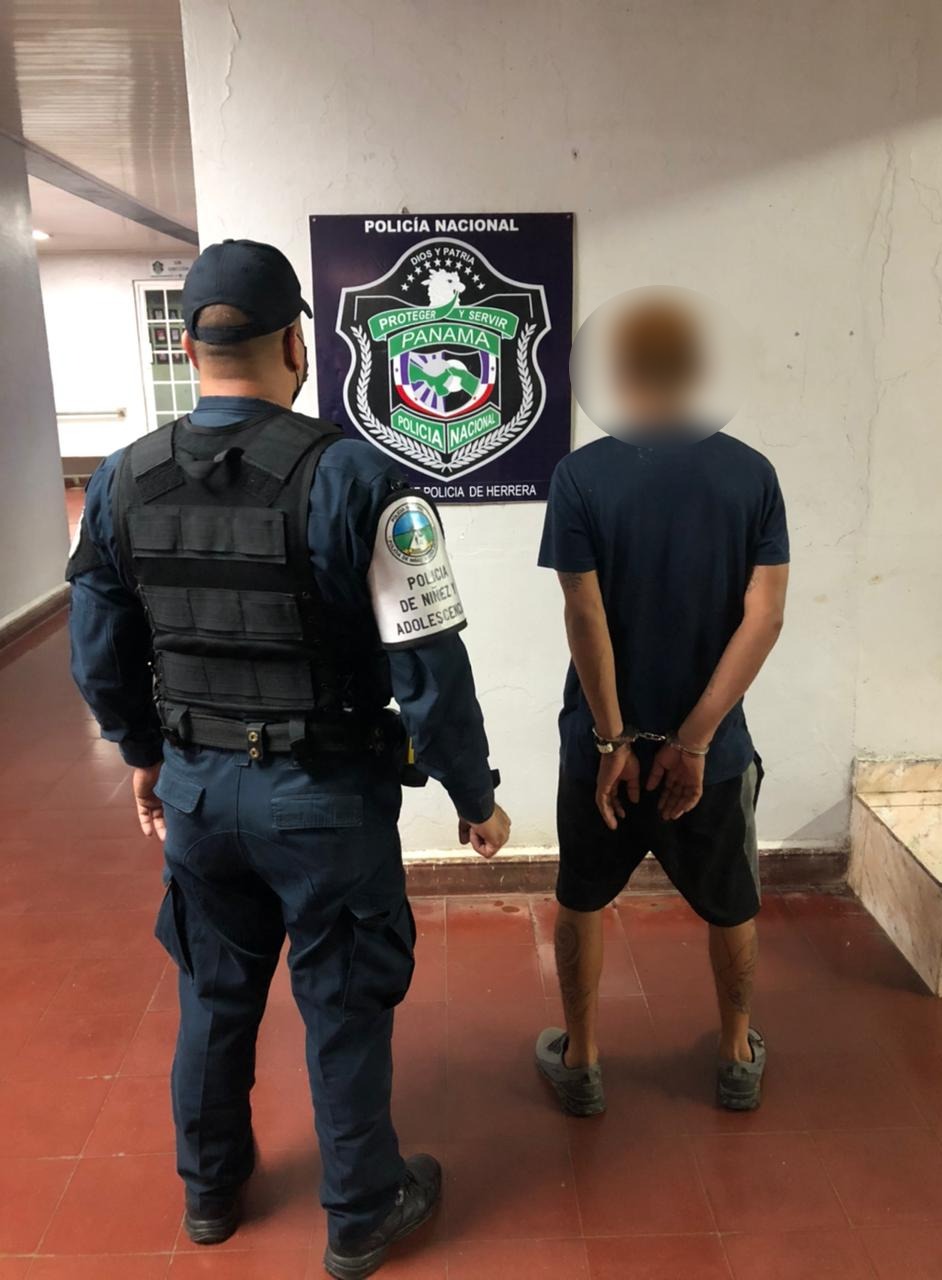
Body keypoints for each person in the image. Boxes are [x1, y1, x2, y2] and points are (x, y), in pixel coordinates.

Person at [67, 239, 510, 1280]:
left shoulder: (122, 478)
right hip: (323, 801)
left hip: (197, 792)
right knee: (341, 1000)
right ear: (298, 345)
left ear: (188, 349)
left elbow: (97, 653)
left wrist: (144, 755)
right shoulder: (360, 476)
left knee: (213, 993)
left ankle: (209, 1190)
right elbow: (428, 663)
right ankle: (360, 1211)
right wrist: (473, 792)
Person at [534, 295, 789, 1117]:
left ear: (616, 372)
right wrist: (697, 739)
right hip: (711, 754)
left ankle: (582, 1062)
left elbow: (585, 617)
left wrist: (614, 741)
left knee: (582, 896)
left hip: (600, 746)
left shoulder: (580, 477)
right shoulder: (752, 475)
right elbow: (765, 617)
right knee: (732, 900)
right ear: (697, 370)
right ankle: (735, 1055)